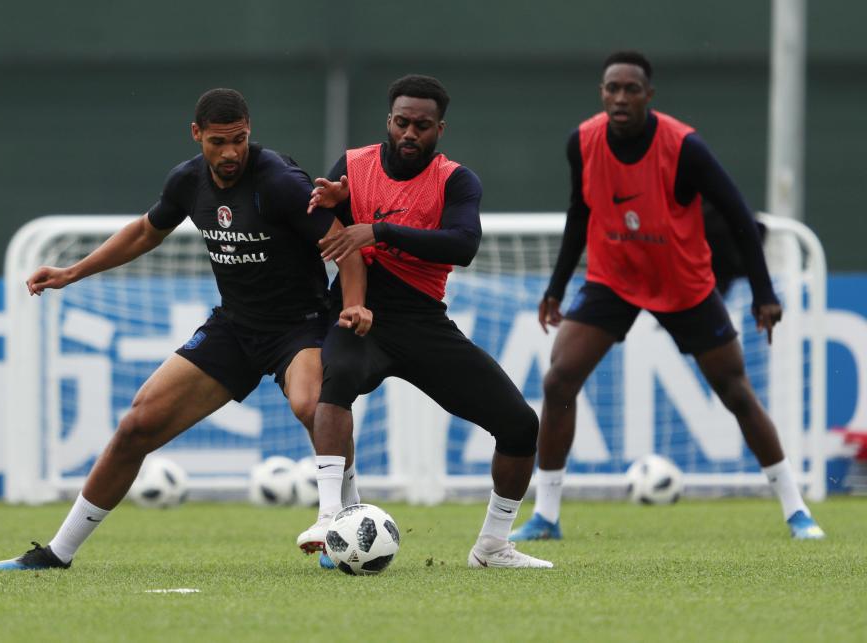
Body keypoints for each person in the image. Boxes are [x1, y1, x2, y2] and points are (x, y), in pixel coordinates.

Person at [0, 88, 372, 571]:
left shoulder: (279, 181)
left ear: (249, 131)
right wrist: (71, 272)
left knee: (311, 405)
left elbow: (346, 246)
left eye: (239, 140)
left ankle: (339, 525)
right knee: (137, 425)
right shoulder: (188, 181)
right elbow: (146, 232)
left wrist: (354, 305)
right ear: (197, 135)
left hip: (299, 327)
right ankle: (56, 552)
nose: (230, 152)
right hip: (235, 327)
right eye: (218, 142)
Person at [509, 51, 825, 542]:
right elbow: (579, 213)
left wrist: (764, 292)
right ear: (602, 93)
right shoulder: (584, 141)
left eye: (630, 89)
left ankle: (796, 510)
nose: (620, 97)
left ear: (648, 96)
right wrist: (556, 287)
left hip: (684, 283)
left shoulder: (683, 147)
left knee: (735, 390)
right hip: (613, 278)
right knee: (558, 380)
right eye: (612, 88)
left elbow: (741, 216)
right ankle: (546, 515)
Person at [300, 74, 553, 569]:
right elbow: (320, 223)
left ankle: (493, 547)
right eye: (401, 123)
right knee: (338, 380)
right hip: (359, 312)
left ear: (440, 129)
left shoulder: (456, 180)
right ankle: (331, 516)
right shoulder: (353, 166)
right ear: (388, 122)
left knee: (521, 426)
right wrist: (326, 206)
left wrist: (380, 230)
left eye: (422, 125)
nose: (409, 134)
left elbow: (463, 245)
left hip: (423, 321)